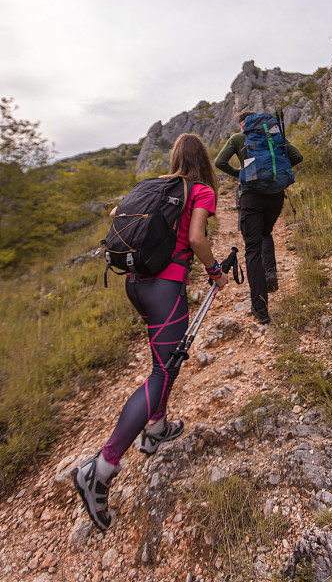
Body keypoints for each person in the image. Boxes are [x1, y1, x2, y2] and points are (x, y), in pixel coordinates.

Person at [72, 133, 228, 531]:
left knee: (165, 362)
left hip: (135, 284)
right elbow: (196, 238)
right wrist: (215, 272)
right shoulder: (201, 191)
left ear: (176, 157)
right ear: (204, 160)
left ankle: (155, 428)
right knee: (162, 371)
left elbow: (114, 215)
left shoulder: (153, 185)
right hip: (165, 288)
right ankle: (102, 468)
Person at [215, 110, 302, 324]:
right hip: (275, 196)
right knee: (266, 233)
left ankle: (260, 309)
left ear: (243, 124)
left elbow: (219, 162)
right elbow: (297, 157)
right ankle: (270, 271)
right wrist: (276, 175)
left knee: (252, 250)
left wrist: (242, 174)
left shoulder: (238, 138)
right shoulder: (273, 136)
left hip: (251, 198)